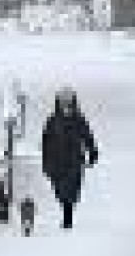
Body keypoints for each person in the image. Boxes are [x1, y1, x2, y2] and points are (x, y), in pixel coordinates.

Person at [41, 87, 98, 229]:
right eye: (63, 101)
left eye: (68, 101)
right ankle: (65, 208)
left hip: (74, 160)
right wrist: (45, 161)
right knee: (59, 190)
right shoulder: (52, 120)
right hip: (56, 161)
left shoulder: (79, 119)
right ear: (58, 103)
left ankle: (68, 218)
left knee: (71, 189)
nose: (66, 104)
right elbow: (45, 141)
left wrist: (92, 153)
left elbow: (88, 136)